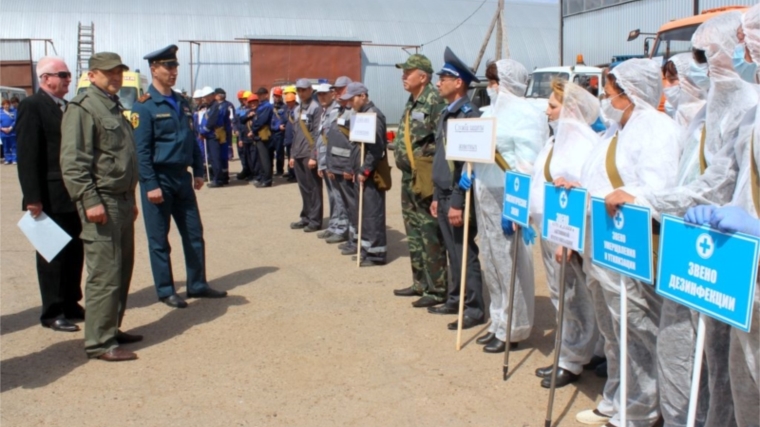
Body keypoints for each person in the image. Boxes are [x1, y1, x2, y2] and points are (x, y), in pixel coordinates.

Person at [605, 12, 756, 427]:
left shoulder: (747, 106)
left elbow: (717, 186)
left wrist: (647, 198)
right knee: (686, 355)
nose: (694, 67)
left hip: (726, 254)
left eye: (703, 55)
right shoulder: (716, 112)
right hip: (689, 242)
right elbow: (711, 177)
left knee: (725, 370)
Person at [569, 58, 681, 427]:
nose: (605, 98)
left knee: (637, 328)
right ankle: (617, 397)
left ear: (632, 93)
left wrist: (631, 193)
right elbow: (597, 177)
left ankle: (641, 410)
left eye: (611, 92)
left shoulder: (658, 128)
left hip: (630, 245)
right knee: (611, 328)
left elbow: (661, 188)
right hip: (600, 242)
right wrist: (578, 189)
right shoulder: (614, 131)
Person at [59, 52, 142, 362]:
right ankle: (99, 342)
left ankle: (111, 327)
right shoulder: (83, 108)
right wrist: (89, 200)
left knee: (121, 269)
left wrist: (131, 198)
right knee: (105, 273)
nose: (115, 77)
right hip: (101, 199)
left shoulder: (113, 106)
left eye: (118, 72)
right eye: (108, 73)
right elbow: (73, 161)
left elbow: (122, 158)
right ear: (91, 75)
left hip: (120, 199)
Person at [460, 58, 546, 353]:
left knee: (510, 262)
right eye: (490, 81)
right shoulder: (488, 112)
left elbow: (528, 161)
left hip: (507, 193)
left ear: (509, 83)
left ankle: (515, 327)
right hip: (485, 190)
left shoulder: (526, 114)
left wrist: (516, 202)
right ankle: (498, 320)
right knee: (492, 259)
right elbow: (475, 148)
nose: (492, 87)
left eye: (495, 81)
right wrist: (467, 173)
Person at [132, 45, 227, 309]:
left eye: (175, 67)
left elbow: (191, 139)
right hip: (159, 179)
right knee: (159, 239)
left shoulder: (181, 102)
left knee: (194, 233)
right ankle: (165, 289)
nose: (173, 72)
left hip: (182, 178)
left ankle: (197, 283)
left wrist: (197, 170)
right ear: (154, 69)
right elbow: (141, 150)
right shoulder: (144, 106)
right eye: (168, 67)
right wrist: (150, 184)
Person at [528, 79, 600, 385]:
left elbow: (579, 195)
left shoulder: (581, 141)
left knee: (572, 296)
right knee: (562, 294)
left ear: (570, 108)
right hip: (550, 226)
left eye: (553, 106)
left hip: (565, 231)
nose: (547, 110)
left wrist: (568, 239)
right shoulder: (560, 137)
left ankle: (572, 359)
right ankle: (580, 349)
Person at [16, 56, 84, 332]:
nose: (68, 79)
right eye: (63, 74)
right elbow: (28, 153)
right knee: (52, 254)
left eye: (68, 75)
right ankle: (52, 310)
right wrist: (32, 197)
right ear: (46, 78)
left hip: (71, 193)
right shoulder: (32, 106)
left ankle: (70, 301)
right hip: (48, 193)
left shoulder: (65, 106)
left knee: (74, 250)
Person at [428, 47, 485, 330]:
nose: (438, 83)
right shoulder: (448, 113)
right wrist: (438, 196)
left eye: (444, 78)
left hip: (457, 195)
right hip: (445, 193)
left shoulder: (468, 115)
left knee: (464, 251)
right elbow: (444, 158)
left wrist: (458, 202)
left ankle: (474, 309)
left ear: (458, 82)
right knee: (452, 250)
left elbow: (467, 165)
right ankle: (456, 298)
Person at [391, 54, 449, 308]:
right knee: (413, 231)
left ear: (423, 77)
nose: (404, 76)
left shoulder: (434, 101)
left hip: (425, 178)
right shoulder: (412, 101)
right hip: (408, 177)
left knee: (429, 233)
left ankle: (437, 288)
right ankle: (420, 283)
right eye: (403, 72)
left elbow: (442, 142)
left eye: (408, 72)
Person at [339, 82, 389, 266]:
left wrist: (365, 170)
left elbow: (376, 150)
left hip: (371, 174)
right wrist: (353, 168)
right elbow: (356, 146)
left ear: (362, 96)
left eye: (352, 99)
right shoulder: (360, 115)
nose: (351, 103)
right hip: (359, 172)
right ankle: (366, 249)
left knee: (372, 213)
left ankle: (376, 254)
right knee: (364, 212)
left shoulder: (373, 116)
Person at [315, 83, 349, 243]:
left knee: (339, 196)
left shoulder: (336, 110)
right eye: (319, 94)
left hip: (335, 160)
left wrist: (329, 163)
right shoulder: (325, 111)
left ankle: (342, 228)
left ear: (332, 94)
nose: (321, 97)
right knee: (332, 196)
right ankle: (334, 224)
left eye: (324, 94)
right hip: (326, 159)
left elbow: (335, 139)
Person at [289, 78, 324, 232]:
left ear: (310, 90)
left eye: (304, 90)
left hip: (309, 153)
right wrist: (291, 155)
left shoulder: (316, 108)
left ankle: (315, 220)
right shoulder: (297, 109)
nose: (301, 93)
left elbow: (317, 134)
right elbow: (295, 134)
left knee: (314, 188)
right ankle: (306, 217)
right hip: (298, 153)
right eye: (299, 90)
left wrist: (314, 156)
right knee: (304, 188)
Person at [199, 86, 228, 188]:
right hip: (210, 135)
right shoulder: (211, 107)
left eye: (206, 97)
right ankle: (217, 178)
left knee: (215, 158)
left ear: (212, 96)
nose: (204, 99)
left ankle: (218, 180)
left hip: (213, 135)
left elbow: (212, 120)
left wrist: (203, 131)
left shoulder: (216, 107)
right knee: (213, 158)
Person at [253, 87, 274, 187]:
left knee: (265, 158)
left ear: (266, 95)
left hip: (264, 133)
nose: (259, 96)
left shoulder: (266, 106)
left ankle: (267, 180)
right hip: (259, 134)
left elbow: (262, 120)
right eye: (258, 95)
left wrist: (253, 128)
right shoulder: (261, 106)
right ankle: (263, 178)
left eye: (261, 94)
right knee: (261, 158)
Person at [239, 93, 260, 184]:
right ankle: (252, 174)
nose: (253, 104)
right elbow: (241, 121)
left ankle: (258, 176)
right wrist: (249, 116)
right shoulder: (248, 112)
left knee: (256, 159)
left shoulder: (260, 111)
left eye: (254, 102)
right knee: (249, 159)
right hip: (246, 139)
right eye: (251, 103)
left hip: (255, 139)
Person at [215, 88, 235, 179]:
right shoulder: (214, 105)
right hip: (215, 132)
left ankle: (225, 175)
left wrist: (233, 127)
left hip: (225, 131)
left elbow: (232, 118)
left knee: (224, 153)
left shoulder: (228, 105)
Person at [283, 86, 298, 182]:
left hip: (295, 137)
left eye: (290, 102)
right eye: (287, 102)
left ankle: (296, 175)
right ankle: (291, 173)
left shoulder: (297, 110)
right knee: (289, 156)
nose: (288, 104)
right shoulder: (287, 110)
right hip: (288, 137)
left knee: (295, 157)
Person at [271, 87, 287, 176]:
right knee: (270, 153)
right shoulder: (270, 107)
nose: (276, 98)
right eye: (275, 96)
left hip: (279, 133)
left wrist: (279, 127)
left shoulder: (284, 107)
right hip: (271, 132)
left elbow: (285, 119)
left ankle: (279, 170)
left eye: (278, 96)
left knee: (279, 152)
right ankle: (270, 169)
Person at [1, 99, 17, 164]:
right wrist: (2, 128)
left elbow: (16, 120)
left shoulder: (14, 111)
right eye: (5, 105)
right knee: (6, 146)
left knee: (14, 146)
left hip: (12, 132)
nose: (6, 106)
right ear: (2, 105)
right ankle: (7, 159)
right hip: (3, 132)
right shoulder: (0, 112)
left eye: (7, 105)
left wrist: (11, 128)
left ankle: (14, 159)